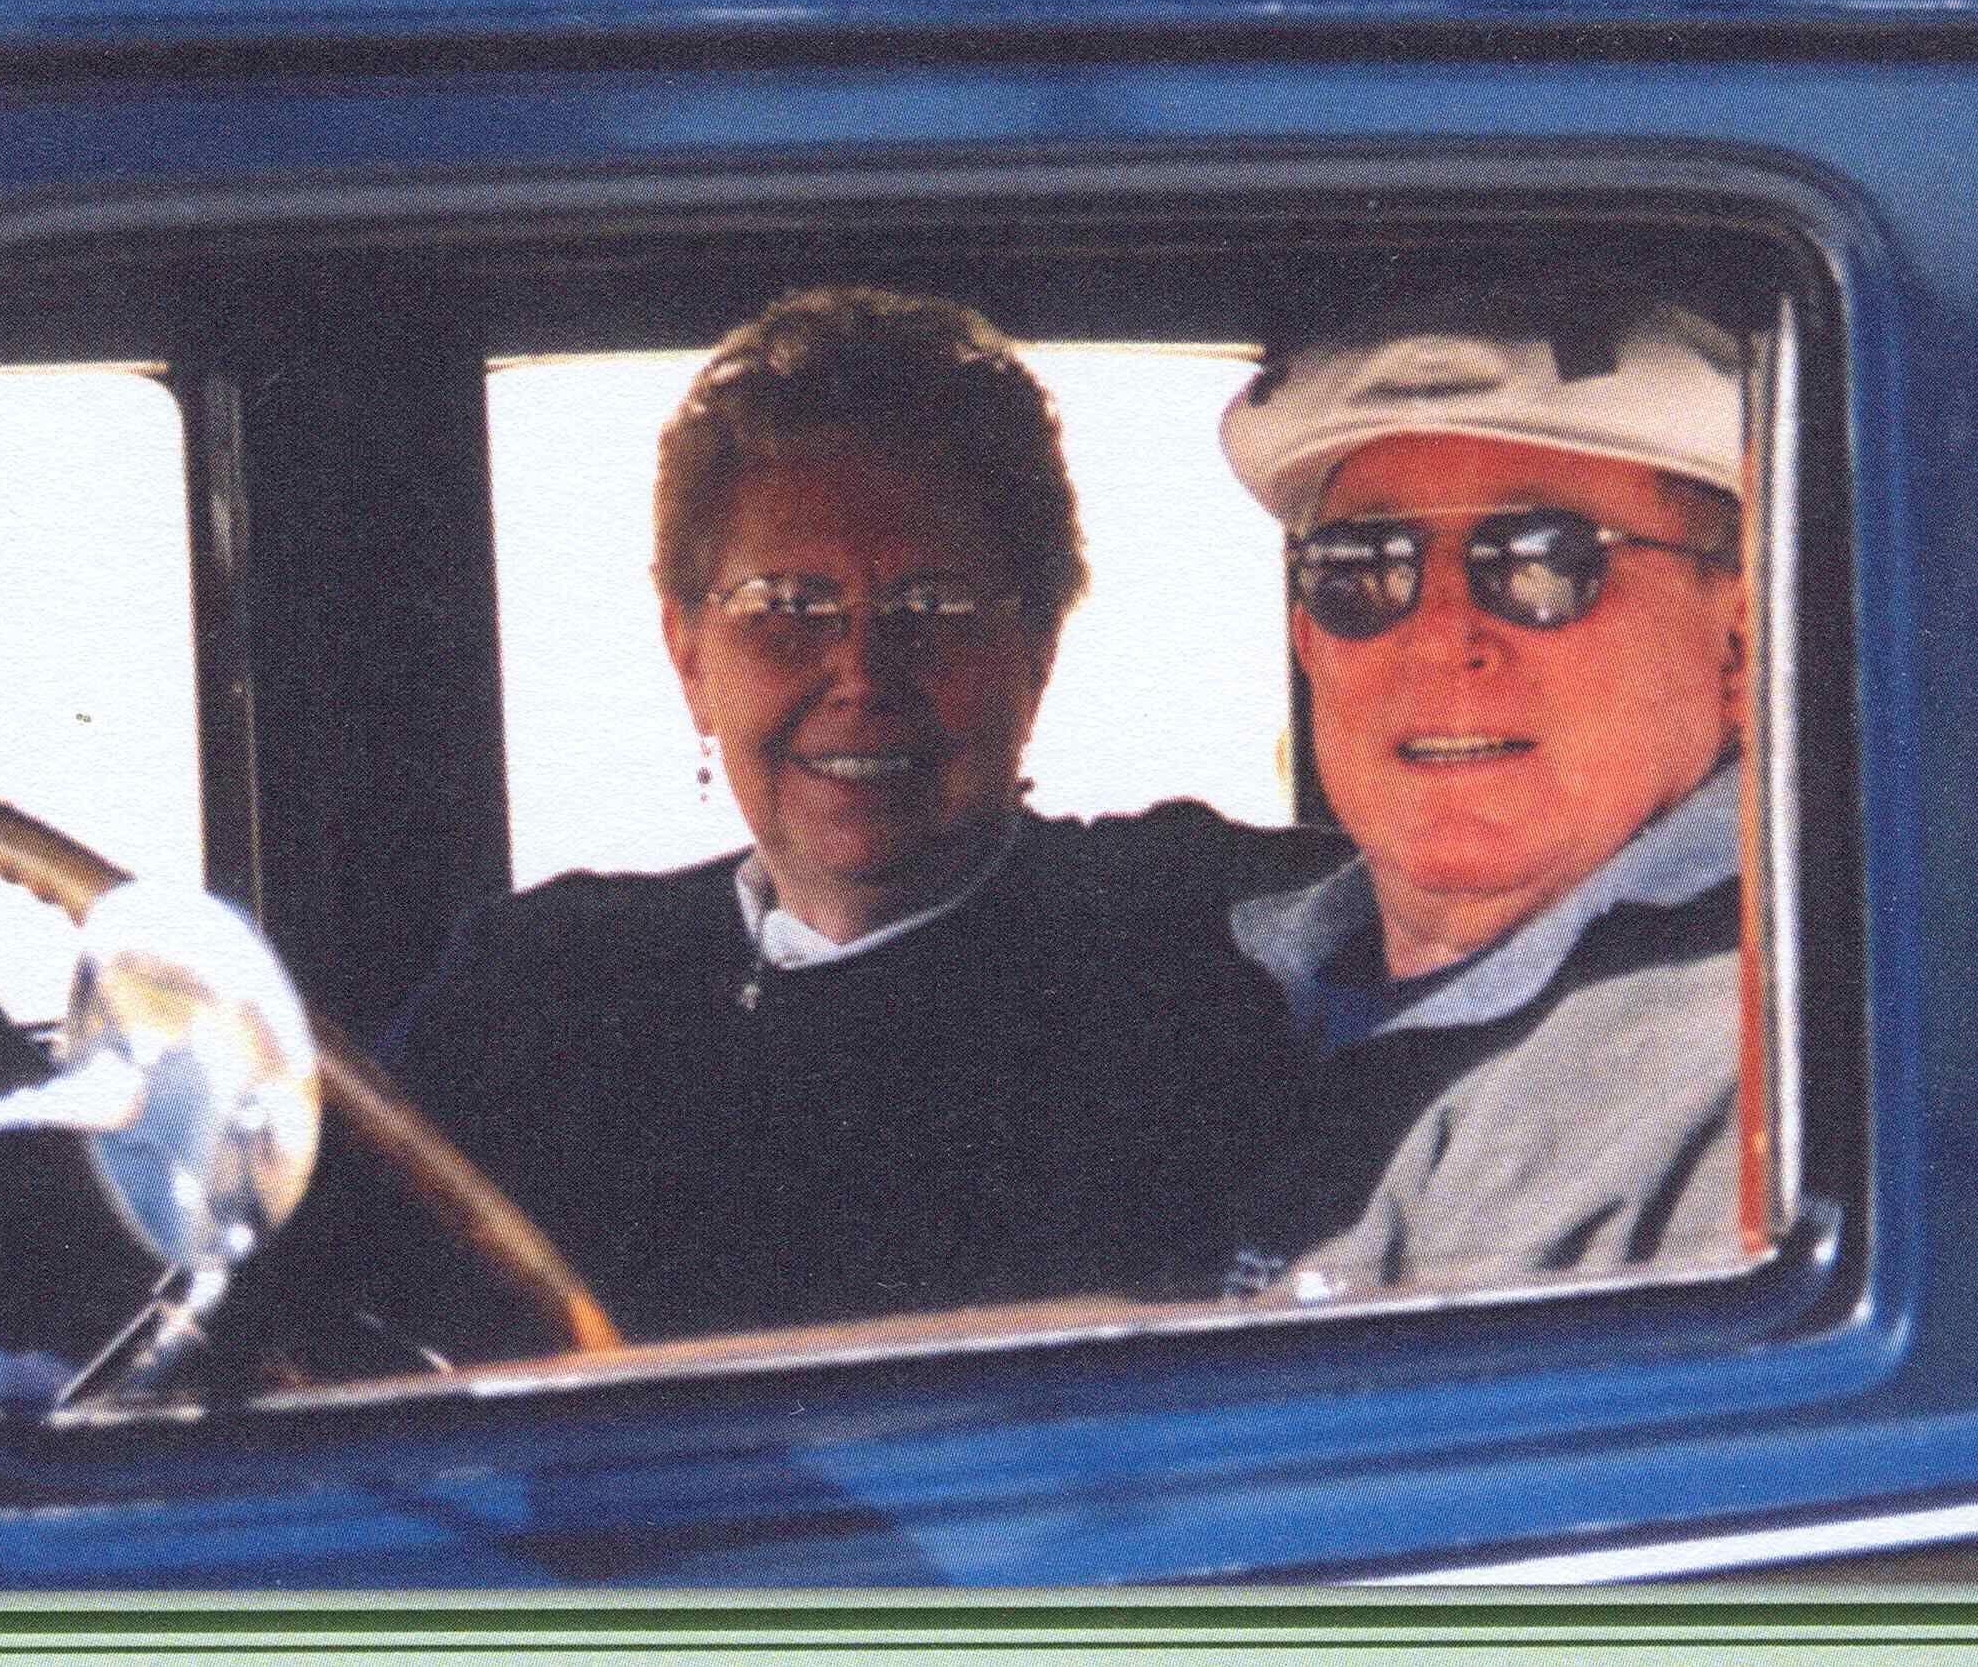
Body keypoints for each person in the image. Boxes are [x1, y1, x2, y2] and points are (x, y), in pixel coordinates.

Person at [368, 286, 1340, 1354]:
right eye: (787, 606)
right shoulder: (531, 988)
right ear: (689, 655)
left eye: (933, 607)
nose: (863, 673)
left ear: (1037, 653)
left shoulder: (1207, 936)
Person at [1212, 277, 1756, 1301]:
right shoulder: (1205, 979)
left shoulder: (1729, 1045)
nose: (1439, 637)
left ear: (1740, 641)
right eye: (1365, 569)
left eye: (1542, 562)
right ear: (1308, 640)